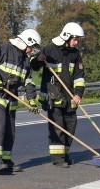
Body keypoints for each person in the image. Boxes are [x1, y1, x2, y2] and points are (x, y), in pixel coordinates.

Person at [0, 29, 41, 175]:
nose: (32, 50)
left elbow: (28, 82)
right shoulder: (4, 49)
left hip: (11, 100)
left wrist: (32, 100)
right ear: (26, 42)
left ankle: (6, 161)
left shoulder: (26, 61)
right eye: (32, 47)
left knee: (10, 132)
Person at [32, 22, 86, 167]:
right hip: (53, 96)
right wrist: (38, 60)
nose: (77, 42)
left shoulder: (75, 53)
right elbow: (33, 66)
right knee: (58, 127)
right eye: (75, 39)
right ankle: (58, 158)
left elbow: (79, 76)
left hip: (70, 98)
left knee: (71, 126)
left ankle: (65, 153)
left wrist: (78, 94)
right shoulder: (49, 49)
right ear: (67, 36)